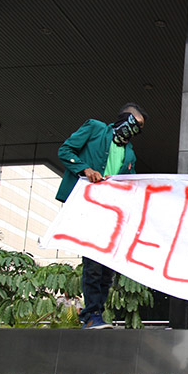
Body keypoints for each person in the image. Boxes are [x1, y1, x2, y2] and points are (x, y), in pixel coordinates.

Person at [55, 103, 147, 329]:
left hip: (111, 213)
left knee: (107, 267)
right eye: (136, 124)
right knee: (94, 262)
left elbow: (130, 183)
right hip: (88, 205)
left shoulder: (130, 152)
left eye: (140, 128)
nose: (136, 130)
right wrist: (85, 170)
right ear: (124, 118)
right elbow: (65, 151)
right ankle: (90, 314)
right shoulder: (94, 128)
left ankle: (97, 314)